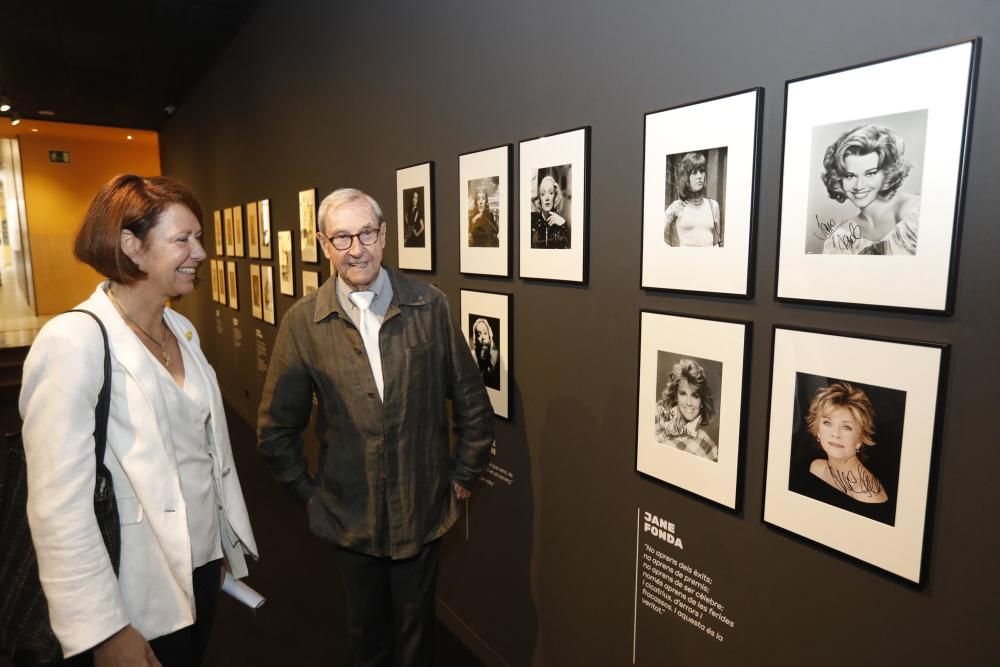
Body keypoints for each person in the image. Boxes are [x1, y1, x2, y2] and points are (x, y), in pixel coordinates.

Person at [19, 174, 258, 665]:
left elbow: (199, 456)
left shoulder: (181, 329)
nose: (200, 253)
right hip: (131, 589)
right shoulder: (74, 341)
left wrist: (211, 552)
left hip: (198, 567)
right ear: (132, 246)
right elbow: (57, 510)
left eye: (200, 238)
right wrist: (105, 632)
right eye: (183, 240)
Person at [257, 188, 494, 666]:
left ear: (384, 236)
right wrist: (310, 495)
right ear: (324, 245)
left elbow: (471, 398)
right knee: (366, 636)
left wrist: (465, 474)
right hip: (349, 514)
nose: (356, 249)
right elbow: (275, 429)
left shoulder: (430, 306)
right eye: (341, 238)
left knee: (416, 634)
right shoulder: (304, 323)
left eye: (366, 233)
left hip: (421, 505)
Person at [795, 382, 890, 519]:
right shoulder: (814, 466)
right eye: (827, 423)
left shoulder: (867, 494)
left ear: (860, 439)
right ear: (818, 431)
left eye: (846, 427)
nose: (835, 434)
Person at [820, 124, 920, 255]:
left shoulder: (914, 212)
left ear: (888, 172)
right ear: (839, 179)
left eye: (870, 173)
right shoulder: (840, 237)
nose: (859, 186)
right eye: (850, 176)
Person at [653, 358, 718, 461]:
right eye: (683, 393)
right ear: (675, 396)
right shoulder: (657, 416)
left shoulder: (708, 447)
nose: (688, 402)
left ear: (702, 401)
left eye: (695, 396)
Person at [664, 152, 722, 247]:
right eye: (694, 172)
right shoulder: (677, 206)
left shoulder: (713, 205)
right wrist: (672, 253)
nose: (699, 176)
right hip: (684, 260)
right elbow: (654, 234)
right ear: (686, 177)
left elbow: (716, 243)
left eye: (702, 171)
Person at [529, 173, 570, 249]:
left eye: (551, 193)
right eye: (543, 194)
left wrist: (563, 226)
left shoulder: (561, 223)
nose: (547, 198)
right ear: (539, 199)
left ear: (555, 197)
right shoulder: (531, 220)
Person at [470, 317, 500, 389]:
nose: (482, 337)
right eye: (479, 334)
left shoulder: (496, 353)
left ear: (490, 335)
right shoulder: (473, 355)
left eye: (485, 333)